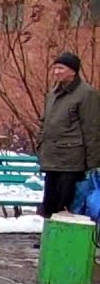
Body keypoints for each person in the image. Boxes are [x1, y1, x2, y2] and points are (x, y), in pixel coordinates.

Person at [37, 51, 100, 219]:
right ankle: (51, 239)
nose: (56, 72)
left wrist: (93, 162)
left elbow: (92, 128)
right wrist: (40, 144)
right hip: (52, 159)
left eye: (61, 68)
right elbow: (45, 122)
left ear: (73, 71)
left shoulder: (86, 94)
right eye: (55, 68)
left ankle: (66, 241)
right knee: (49, 204)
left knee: (66, 205)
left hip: (72, 160)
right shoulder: (53, 94)